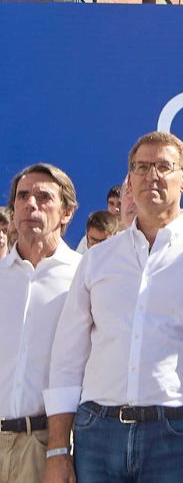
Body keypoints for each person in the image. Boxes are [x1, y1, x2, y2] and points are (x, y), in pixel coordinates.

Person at [45, 132, 183, 483]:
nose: (150, 175)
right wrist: (58, 450)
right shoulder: (97, 259)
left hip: (178, 434)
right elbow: (67, 359)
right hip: (97, 434)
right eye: (140, 167)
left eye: (163, 167)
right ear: (130, 180)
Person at [0, 163, 81, 481]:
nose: (30, 204)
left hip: (46, 444)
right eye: (22, 196)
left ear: (67, 212)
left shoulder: (84, 275)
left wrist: (61, 450)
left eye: (43, 197)